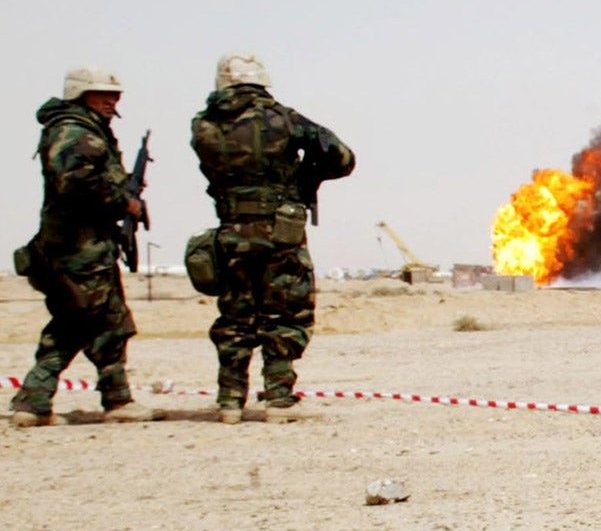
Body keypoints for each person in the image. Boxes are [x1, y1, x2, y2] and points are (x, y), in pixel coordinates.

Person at [191, 54, 355, 424]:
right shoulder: (282, 118)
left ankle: (230, 399)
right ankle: (278, 398)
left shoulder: (202, 125)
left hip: (231, 230)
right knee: (284, 310)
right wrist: (305, 173)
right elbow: (342, 157)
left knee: (235, 314)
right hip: (279, 232)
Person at [9, 68, 155, 428]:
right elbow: (74, 184)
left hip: (79, 246)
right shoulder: (74, 132)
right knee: (96, 321)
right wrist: (124, 200)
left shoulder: (80, 130)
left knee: (86, 320)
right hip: (78, 249)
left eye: (115, 96)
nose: (112, 101)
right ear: (80, 94)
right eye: (102, 94)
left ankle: (39, 401)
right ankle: (110, 400)